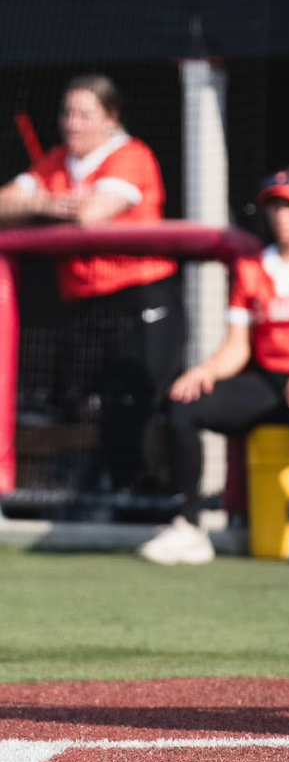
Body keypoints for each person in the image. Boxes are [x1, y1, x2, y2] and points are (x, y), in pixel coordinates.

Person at [137, 167, 289, 569]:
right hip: (273, 383)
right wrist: (207, 372)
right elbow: (238, 347)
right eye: (274, 206)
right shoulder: (253, 267)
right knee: (182, 404)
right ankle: (188, 526)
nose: (281, 215)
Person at [0, 74, 185, 494]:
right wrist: (45, 202)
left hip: (143, 300)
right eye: (67, 113)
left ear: (110, 118)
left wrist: (35, 208)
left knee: (135, 402)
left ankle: (160, 501)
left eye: (85, 114)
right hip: (87, 307)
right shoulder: (56, 161)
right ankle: (115, 497)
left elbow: (92, 214)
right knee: (90, 406)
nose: (72, 123)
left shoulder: (131, 155)